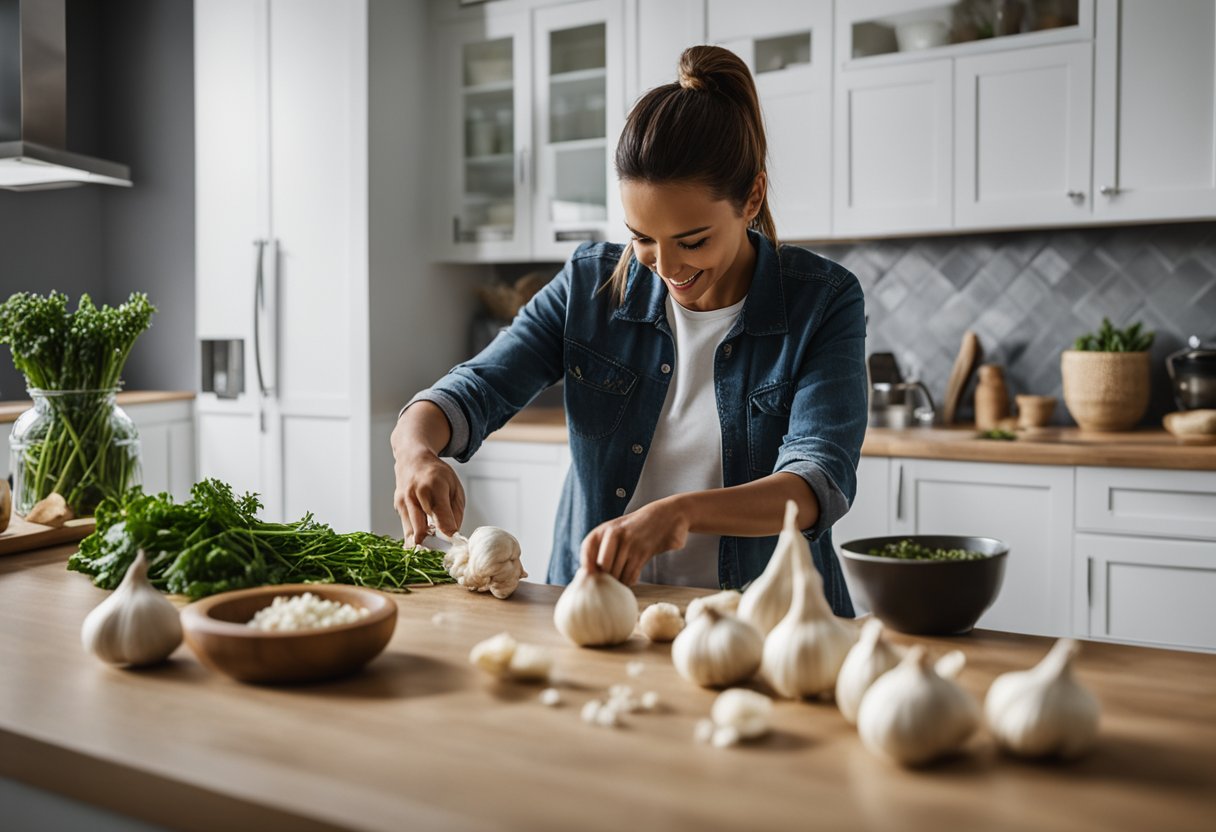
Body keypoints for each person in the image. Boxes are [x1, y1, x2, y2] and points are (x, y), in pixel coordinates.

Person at [392, 45, 867, 616]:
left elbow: (816, 480)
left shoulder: (824, 300)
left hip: (767, 622)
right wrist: (414, 451)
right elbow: (476, 387)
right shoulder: (591, 283)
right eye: (642, 237)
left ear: (752, 198)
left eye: (692, 240)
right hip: (604, 613)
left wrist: (677, 513)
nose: (666, 267)